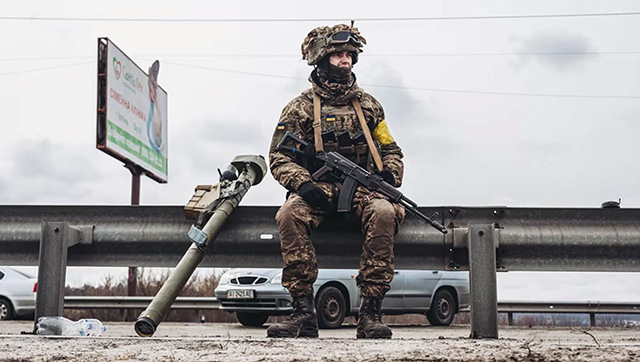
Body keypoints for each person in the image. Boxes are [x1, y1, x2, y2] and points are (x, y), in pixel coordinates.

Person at [267, 24, 405, 339]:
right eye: (338, 55)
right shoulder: (299, 108)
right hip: (319, 188)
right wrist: (302, 184)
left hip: (363, 188)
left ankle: (370, 313)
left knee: (384, 213)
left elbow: (391, 150)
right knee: (288, 214)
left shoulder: (369, 106)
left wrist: (388, 175)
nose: (345, 61)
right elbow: (279, 156)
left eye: (349, 55)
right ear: (321, 59)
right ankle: (302, 312)